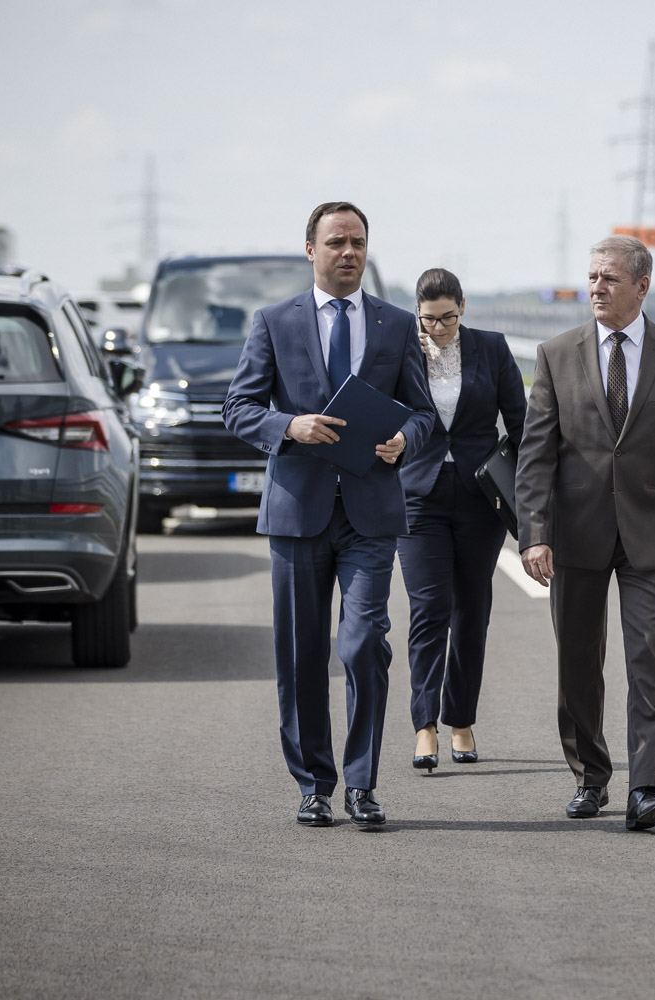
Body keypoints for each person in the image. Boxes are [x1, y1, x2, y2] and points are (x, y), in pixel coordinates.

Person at [223, 201, 434, 828]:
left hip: (371, 513)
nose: (349, 252)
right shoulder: (273, 322)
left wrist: (405, 440)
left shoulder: (397, 325)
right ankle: (313, 784)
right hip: (297, 513)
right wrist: (290, 425)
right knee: (300, 654)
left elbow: (424, 414)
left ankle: (362, 783)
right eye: (337, 241)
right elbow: (238, 407)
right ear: (311, 250)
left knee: (364, 642)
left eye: (358, 242)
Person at [515, 235, 655, 831]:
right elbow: (536, 455)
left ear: (642, 285)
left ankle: (644, 787)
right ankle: (590, 776)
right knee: (578, 663)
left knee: (648, 656)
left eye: (609, 278)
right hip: (575, 533)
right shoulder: (556, 354)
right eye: (592, 277)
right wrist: (534, 531)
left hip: (652, 535)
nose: (597, 287)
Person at [397, 268, 527, 772]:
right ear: (417, 314)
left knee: (472, 611)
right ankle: (424, 726)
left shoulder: (491, 348)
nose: (439, 329)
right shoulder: (403, 350)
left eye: (448, 318)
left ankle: (462, 721)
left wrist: (531, 491)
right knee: (430, 608)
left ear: (463, 307)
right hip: (419, 496)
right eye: (429, 320)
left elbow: (520, 423)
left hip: (480, 497)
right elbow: (383, 412)